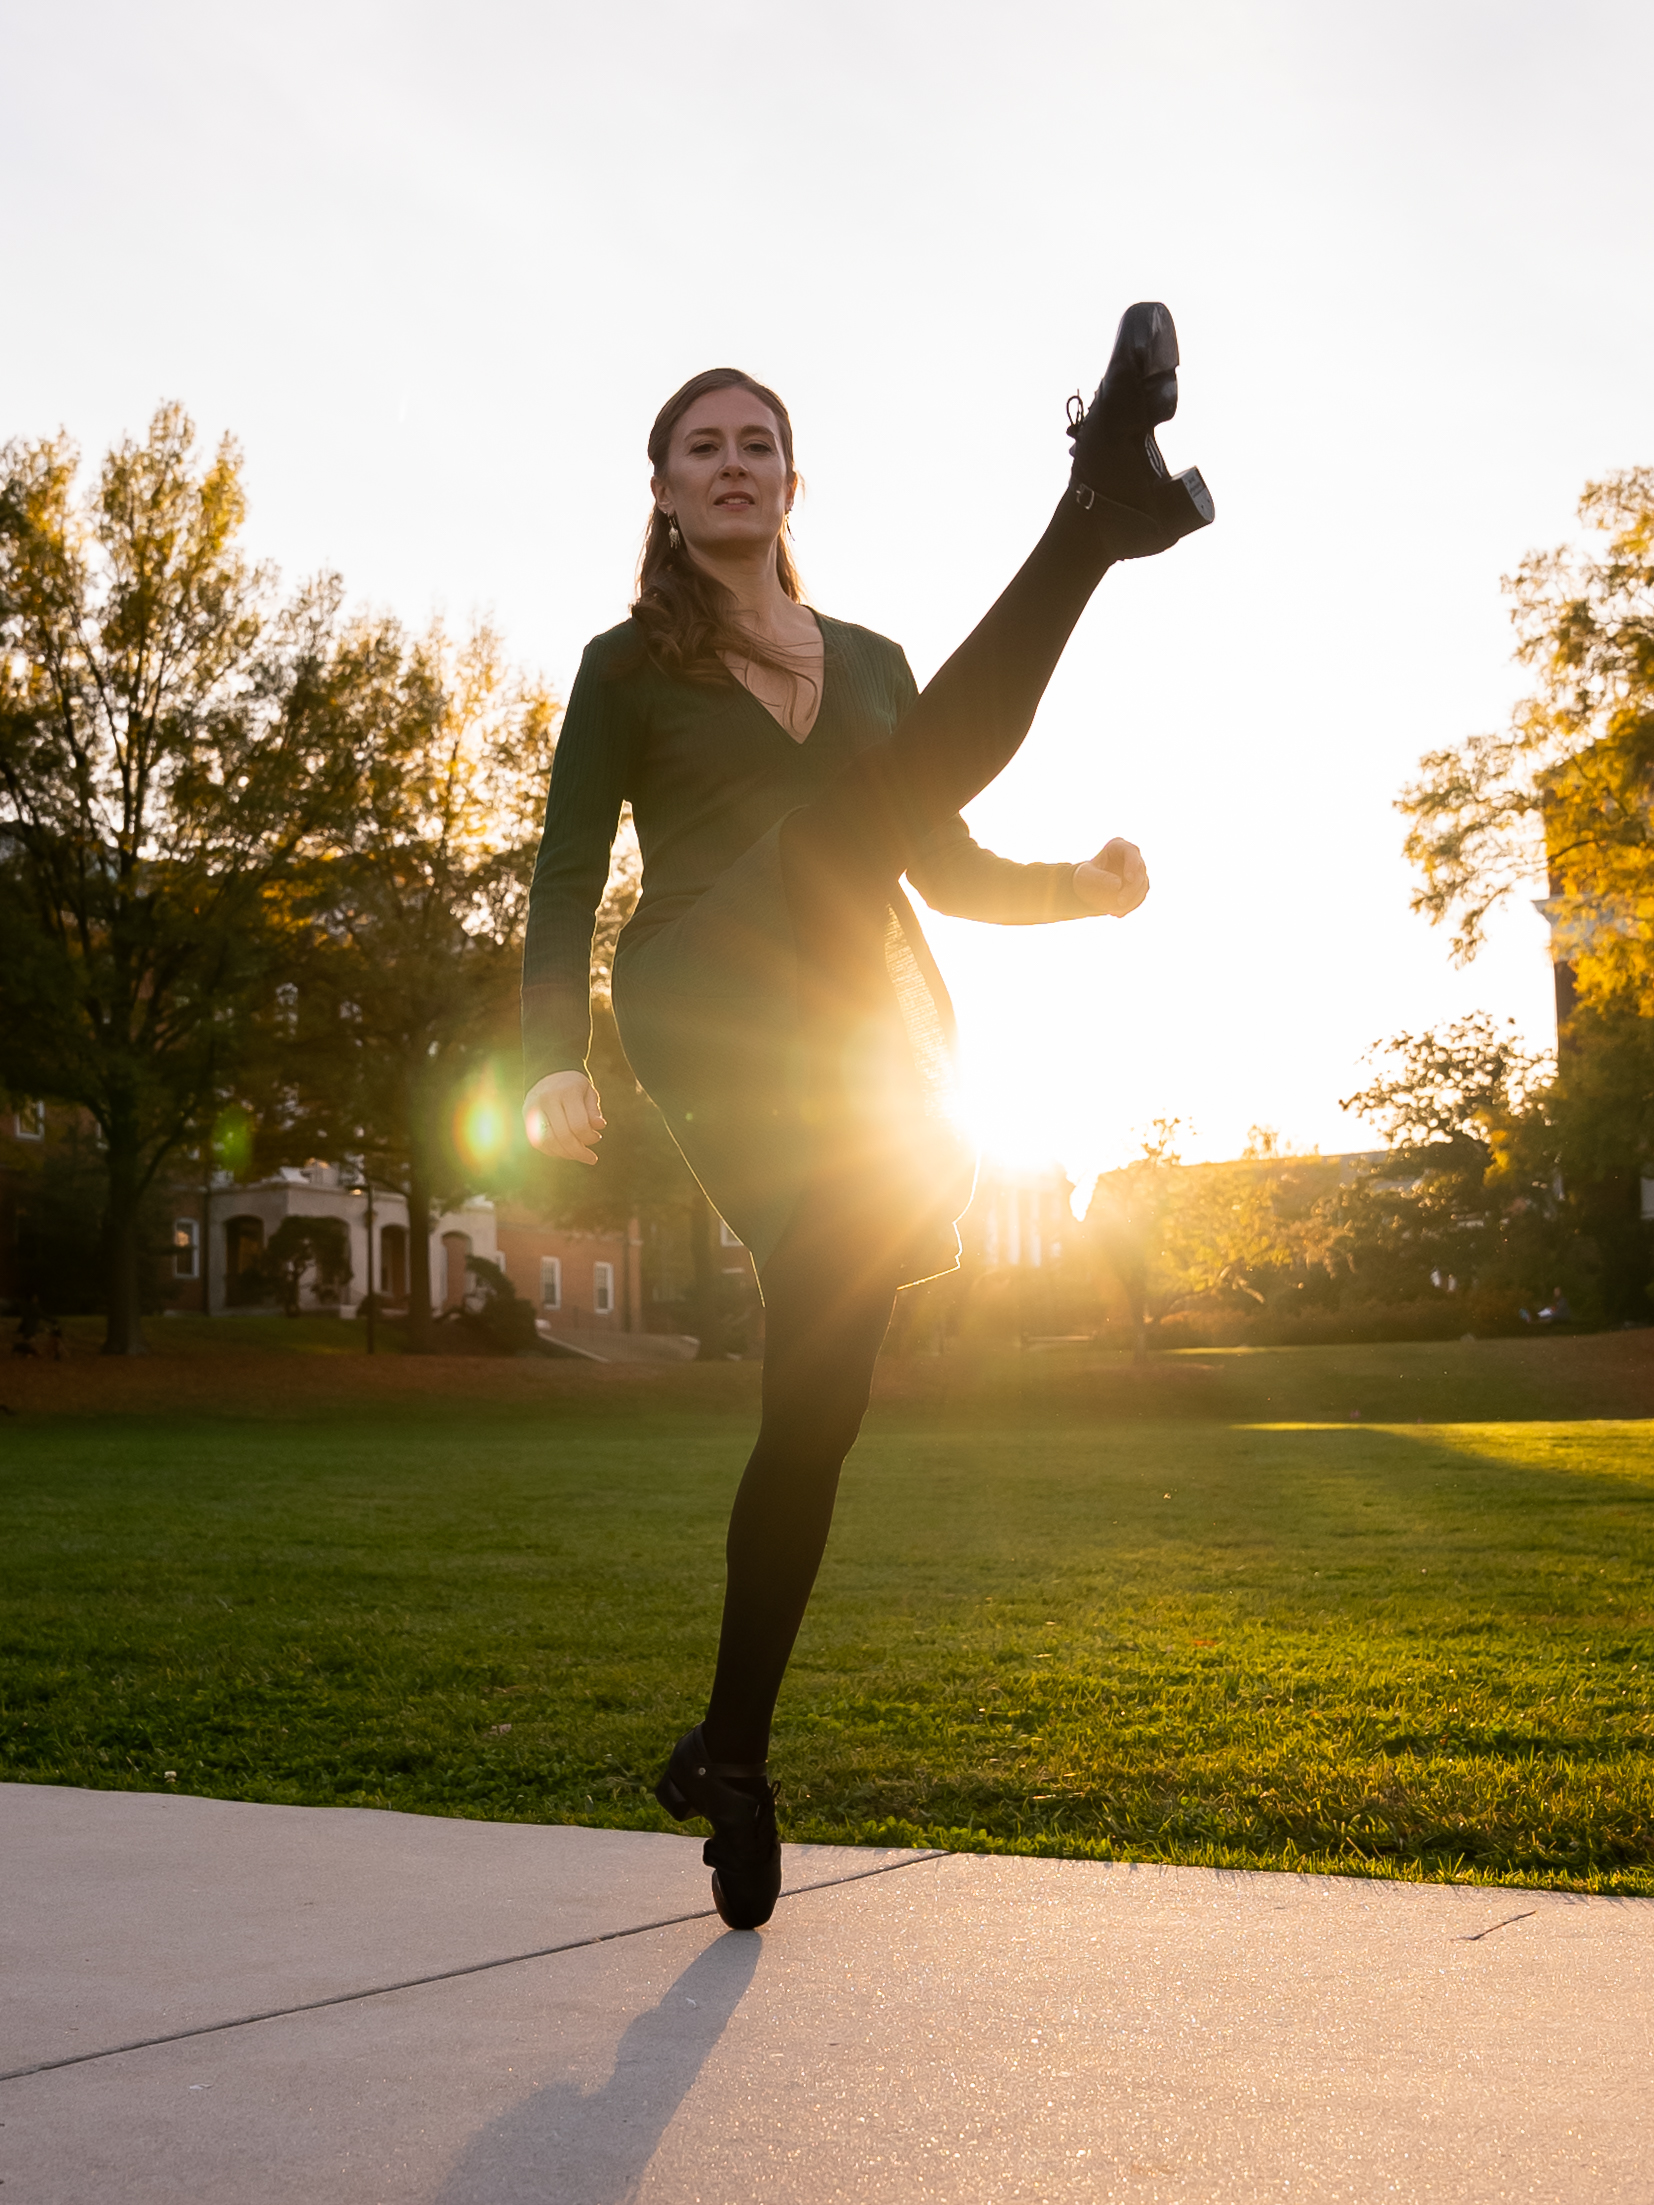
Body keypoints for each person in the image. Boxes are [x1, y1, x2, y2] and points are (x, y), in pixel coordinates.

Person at [521, 304, 1213, 1929]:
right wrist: (546, 1048)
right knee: (845, 831)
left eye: (757, 439)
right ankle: (1094, 513)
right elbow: (565, 867)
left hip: (843, 1030)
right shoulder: (626, 668)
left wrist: (1084, 896)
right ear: (664, 495)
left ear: (790, 480)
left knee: (815, 1399)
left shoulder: (886, 666)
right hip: (698, 982)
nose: (734, 461)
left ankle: (734, 1745)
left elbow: (935, 859)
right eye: (703, 445)